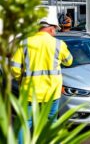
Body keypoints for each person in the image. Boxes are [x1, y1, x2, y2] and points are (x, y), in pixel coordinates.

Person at [11, 11, 73, 144]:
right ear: (51, 28)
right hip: (51, 93)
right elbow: (69, 61)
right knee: (50, 122)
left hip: (29, 92)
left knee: (25, 123)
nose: (55, 32)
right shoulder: (58, 44)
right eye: (55, 30)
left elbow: (15, 68)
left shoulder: (25, 43)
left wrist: (20, 79)